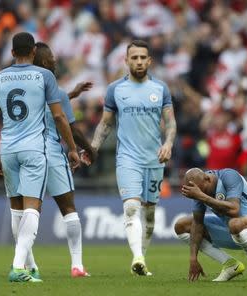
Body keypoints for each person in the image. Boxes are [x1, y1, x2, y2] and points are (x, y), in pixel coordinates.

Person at [0, 32, 80, 283]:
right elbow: (59, 116)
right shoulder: (44, 76)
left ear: (13, 52)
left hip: (8, 149)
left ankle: (30, 266)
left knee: (16, 210)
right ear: (33, 52)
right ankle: (18, 267)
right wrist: (72, 147)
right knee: (32, 208)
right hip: (34, 149)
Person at [83, 40, 177, 276]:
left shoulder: (160, 88)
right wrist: (93, 148)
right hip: (127, 158)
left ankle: (141, 261)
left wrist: (168, 143)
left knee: (150, 214)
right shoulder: (115, 89)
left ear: (149, 60)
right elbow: (105, 124)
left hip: (154, 159)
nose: (138, 61)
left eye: (142, 57)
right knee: (132, 207)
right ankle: (138, 256)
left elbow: (171, 123)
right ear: (126, 61)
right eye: (133, 58)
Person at [13, 41, 94, 279]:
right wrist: (86, 148)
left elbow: (46, 105)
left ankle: (28, 264)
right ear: (46, 63)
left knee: (25, 211)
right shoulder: (55, 90)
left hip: (26, 153)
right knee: (68, 209)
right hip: (52, 153)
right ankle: (77, 265)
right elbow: (70, 127)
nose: (56, 65)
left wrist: (73, 94)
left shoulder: (26, 90)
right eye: (54, 62)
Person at [174, 168, 247, 283]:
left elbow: (234, 210)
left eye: (201, 191)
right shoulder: (199, 190)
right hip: (235, 233)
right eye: (196, 193)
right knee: (181, 225)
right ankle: (230, 265)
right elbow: (197, 223)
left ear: (207, 179)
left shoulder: (229, 176)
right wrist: (193, 258)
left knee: (235, 223)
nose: (200, 194)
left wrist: (201, 196)